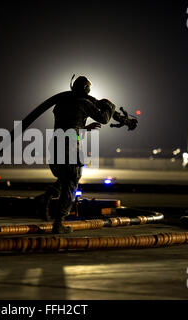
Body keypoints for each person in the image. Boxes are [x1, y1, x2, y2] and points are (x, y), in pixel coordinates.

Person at [39, 75, 117, 234]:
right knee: (72, 180)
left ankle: (48, 195)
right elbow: (104, 118)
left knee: (65, 177)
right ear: (86, 90)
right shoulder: (83, 103)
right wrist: (110, 105)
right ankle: (59, 223)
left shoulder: (61, 103)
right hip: (69, 147)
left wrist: (84, 128)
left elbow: (68, 124)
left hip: (55, 145)